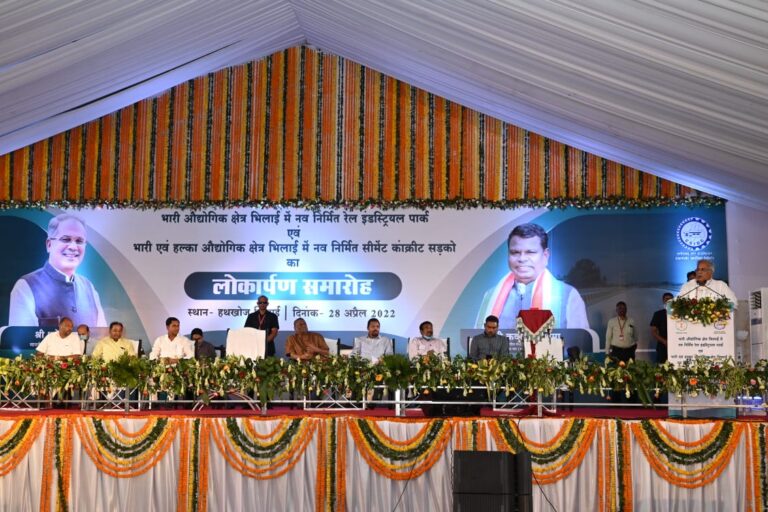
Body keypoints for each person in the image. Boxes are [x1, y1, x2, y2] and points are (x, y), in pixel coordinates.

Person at [477, 223, 589, 329]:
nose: (522, 259)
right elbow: (477, 339)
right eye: (515, 252)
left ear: (545, 256)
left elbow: (580, 341)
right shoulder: (490, 296)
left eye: (530, 252)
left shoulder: (568, 295)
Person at [9, 213, 106, 328]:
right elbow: (21, 338)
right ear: (49, 245)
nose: (73, 247)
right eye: (66, 239)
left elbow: (102, 336)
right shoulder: (26, 286)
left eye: (79, 241)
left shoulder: (89, 288)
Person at [650, 293, 674, 364]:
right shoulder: (658, 314)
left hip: (676, 346)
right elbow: (653, 332)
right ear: (663, 300)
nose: (669, 301)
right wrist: (664, 342)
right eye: (667, 299)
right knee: (662, 367)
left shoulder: (678, 314)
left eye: (671, 299)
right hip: (662, 347)